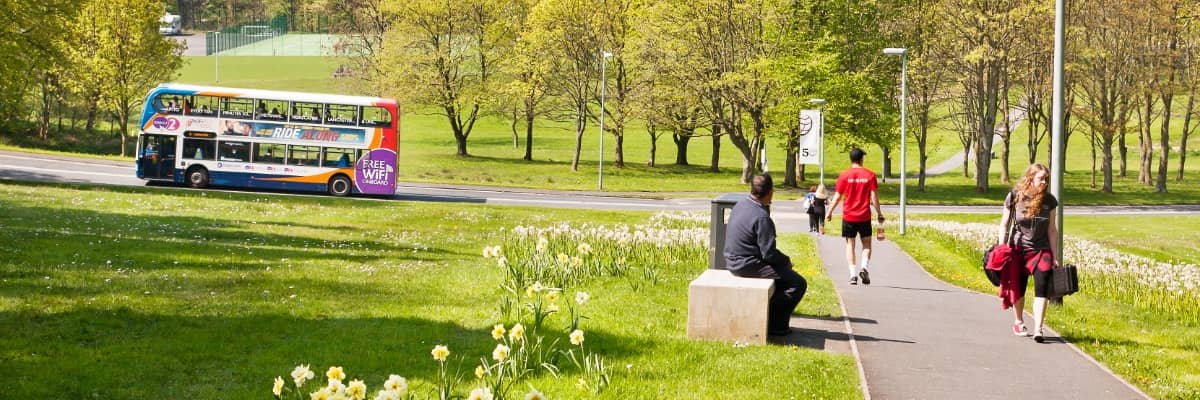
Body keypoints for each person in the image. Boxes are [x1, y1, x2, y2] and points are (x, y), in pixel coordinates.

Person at [724, 173, 808, 337]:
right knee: (797, 283)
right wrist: (786, 261)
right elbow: (768, 254)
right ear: (770, 192)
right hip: (746, 264)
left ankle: (769, 316)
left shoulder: (740, 205)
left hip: (732, 260)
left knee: (784, 278)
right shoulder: (762, 217)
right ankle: (775, 326)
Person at [998, 163, 1060, 343]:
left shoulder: (1049, 201)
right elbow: (1004, 224)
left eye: (1047, 179)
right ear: (1031, 178)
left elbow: (1052, 230)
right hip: (1018, 249)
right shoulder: (1015, 197)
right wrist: (1002, 247)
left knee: (1042, 287)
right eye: (1041, 178)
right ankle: (1019, 321)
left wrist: (1055, 255)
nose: (1045, 182)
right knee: (1020, 286)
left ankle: (1038, 328)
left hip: (1041, 250)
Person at [826, 147, 884, 285]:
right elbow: (874, 197)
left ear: (851, 159)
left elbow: (838, 196)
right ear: (861, 159)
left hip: (849, 216)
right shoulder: (870, 175)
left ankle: (853, 276)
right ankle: (864, 267)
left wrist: (829, 212)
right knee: (867, 244)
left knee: (850, 245)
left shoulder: (844, 175)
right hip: (864, 215)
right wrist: (879, 213)